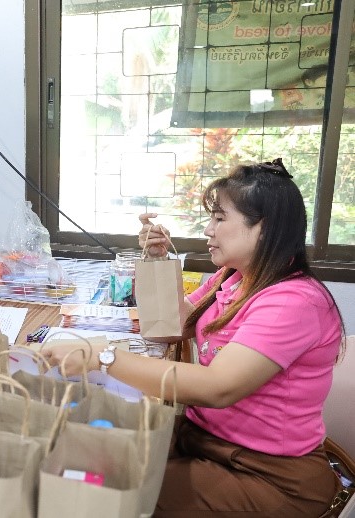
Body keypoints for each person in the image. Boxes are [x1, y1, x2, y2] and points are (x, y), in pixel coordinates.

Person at [42, 158, 345, 517]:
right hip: (206, 440)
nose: (208, 230)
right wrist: (157, 260)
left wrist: (103, 356)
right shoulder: (233, 278)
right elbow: (169, 326)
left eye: (219, 218)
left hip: (267, 474)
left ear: (264, 228)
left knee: (104, 486)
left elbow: (217, 387)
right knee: (84, 452)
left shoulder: (294, 301)